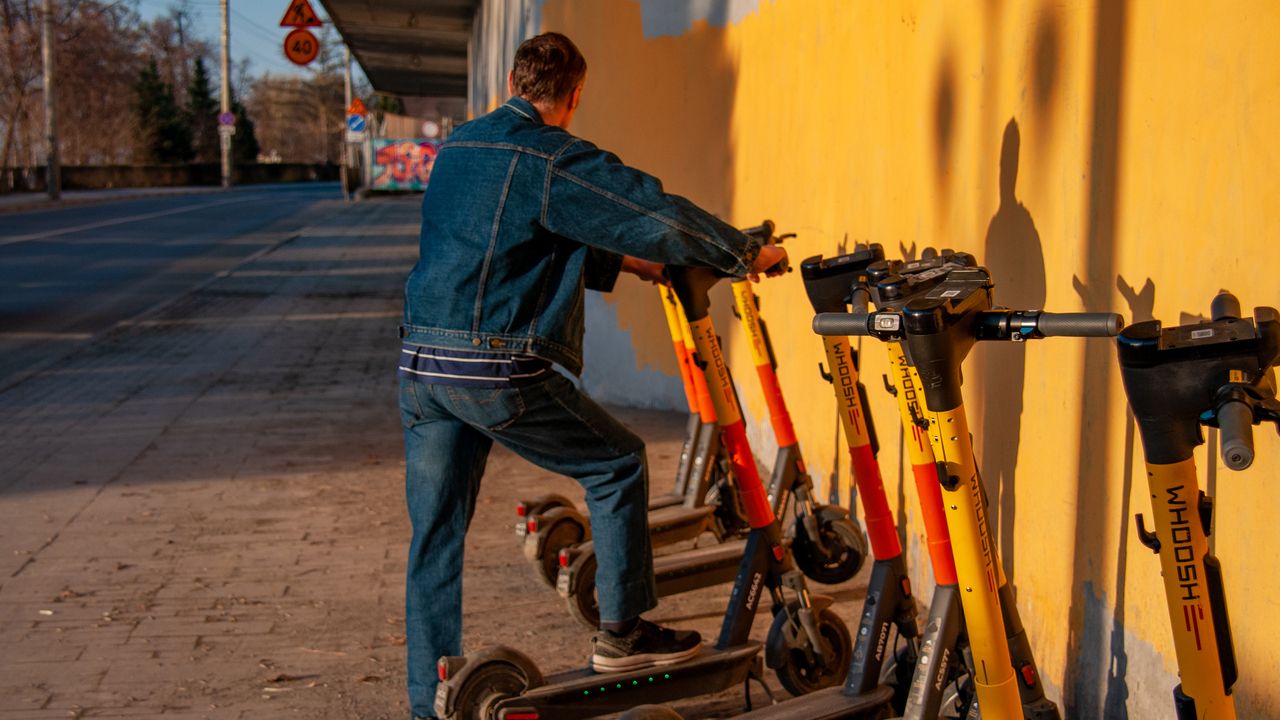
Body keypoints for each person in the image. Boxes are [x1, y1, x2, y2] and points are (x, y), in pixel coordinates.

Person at [397, 31, 786, 719]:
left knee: (435, 536)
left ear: (516, 83)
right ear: (574, 96)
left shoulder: (460, 145)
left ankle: (428, 707)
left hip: (423, 366)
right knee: (618, 464)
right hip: (493, 368)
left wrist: (621, 265)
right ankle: (624, 635)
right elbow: (648, 211)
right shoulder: (550, 154)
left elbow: (509, 234)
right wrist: (742, 253)